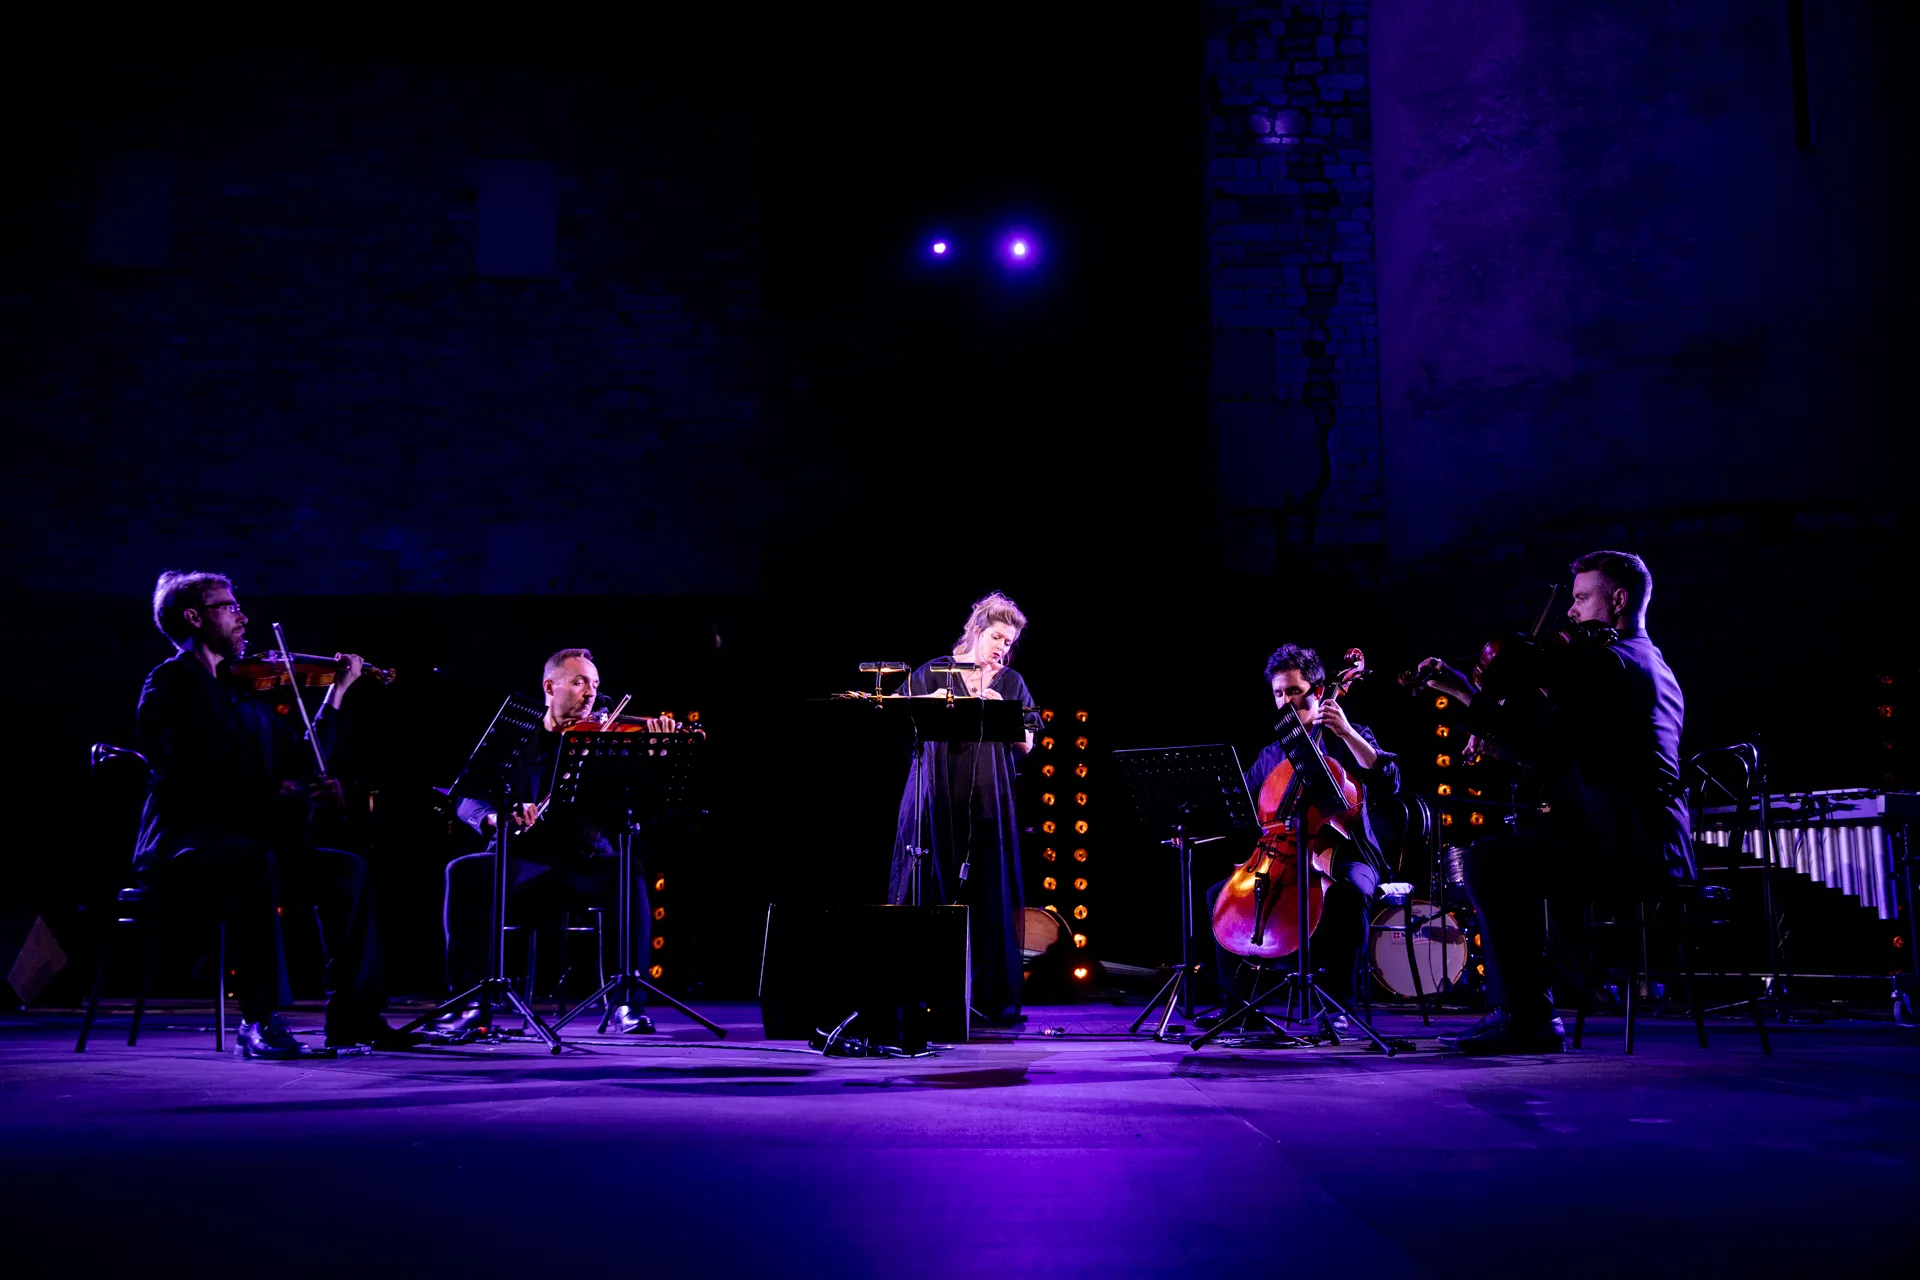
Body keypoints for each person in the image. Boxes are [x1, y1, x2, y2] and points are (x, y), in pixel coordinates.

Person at [1414, 549, 1690, 1054]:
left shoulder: (1610, 663)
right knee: (1519, 849)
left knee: (1490, 861)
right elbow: (1563, 753)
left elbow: (1543, 739)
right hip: (1644, 838)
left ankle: (1527, 1016)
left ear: (1619, 600)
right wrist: (1504, 741)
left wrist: (1466, 696)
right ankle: (1523, 1008)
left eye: (1582, 598)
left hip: (1627, 845)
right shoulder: (1650, 662)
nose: (1570, 611)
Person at [133, 570, 402, 1058]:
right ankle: (259, 1020)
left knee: (348, 871)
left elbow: (299, 757)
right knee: (252, 861)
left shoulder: (242, 692)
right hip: (186, 843)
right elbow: (190, 772)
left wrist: (335, 696)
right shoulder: (171, 682)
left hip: (252, 842)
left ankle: (353, 1016)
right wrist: (286, 788)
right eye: (228, 607)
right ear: (194, 617)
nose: (242, 616)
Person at [440, 648, 673, 1037]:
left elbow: (644, 808)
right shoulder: (516, 736)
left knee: (627, 871)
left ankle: (627, 1002)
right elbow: (467, 798)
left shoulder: (604, 741)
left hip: (584, 863)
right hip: (522, 861)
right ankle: (471, 1003)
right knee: (464, 871)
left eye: (595, 685)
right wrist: (497, 816)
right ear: (550, 686)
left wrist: (657, 760)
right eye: (580, 682)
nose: (590, 694)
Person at [1205, 644, 1400, 1016]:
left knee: (1350, 891)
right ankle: (1239, 1008)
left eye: (1293, 691)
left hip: (1347, 852)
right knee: (1221, 895)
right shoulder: (1272, 754)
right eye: (1278, 693)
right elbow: (1242, 805)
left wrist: (1344, 732)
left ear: (1318, 688)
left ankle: (1340, 1005)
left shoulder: (1350, 736)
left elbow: (1389, 780)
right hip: (1282, 855)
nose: (1284, 702)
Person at [887, 592, 1041, 1026]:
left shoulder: (1010, 683)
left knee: (985, 891)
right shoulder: (935, 670)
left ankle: (986, 996)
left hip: (987, 804)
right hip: (934, 797)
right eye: (996, 637)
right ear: (976, 630)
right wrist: (931, 702)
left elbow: (1027, 743)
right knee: (927, 886)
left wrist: (1000, 711)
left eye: (1008, 642)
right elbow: (899, 718)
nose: (1001, 648)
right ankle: (918, 994)